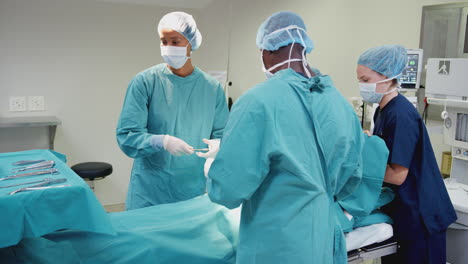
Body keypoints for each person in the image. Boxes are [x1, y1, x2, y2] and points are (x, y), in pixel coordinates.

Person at [203, 11, 365, 263]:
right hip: (323, 236)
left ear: (266, 51)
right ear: (303, 47)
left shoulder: (258, 102)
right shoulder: (341, 105)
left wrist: (213, 169)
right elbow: (350, 180)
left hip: (277, 244)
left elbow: (228, 190)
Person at [116, 11, 229, 210]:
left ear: (191, 43)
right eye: (163, 41)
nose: (168, 47)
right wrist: (161, 141)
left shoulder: (212, 88)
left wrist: (219, 144)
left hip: (193, 189)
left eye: (175, 41)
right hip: (150, 191)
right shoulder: (145, 82)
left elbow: (223, 133)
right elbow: (127, 136)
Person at [356, 45, 457, 264]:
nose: (362, 86)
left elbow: (397, 175)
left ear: (385, 76)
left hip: (421, 216)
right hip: (404, 212)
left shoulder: (401, 115)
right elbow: (386, 151)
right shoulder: (383, 110)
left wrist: (358, 163)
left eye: (365, 80)